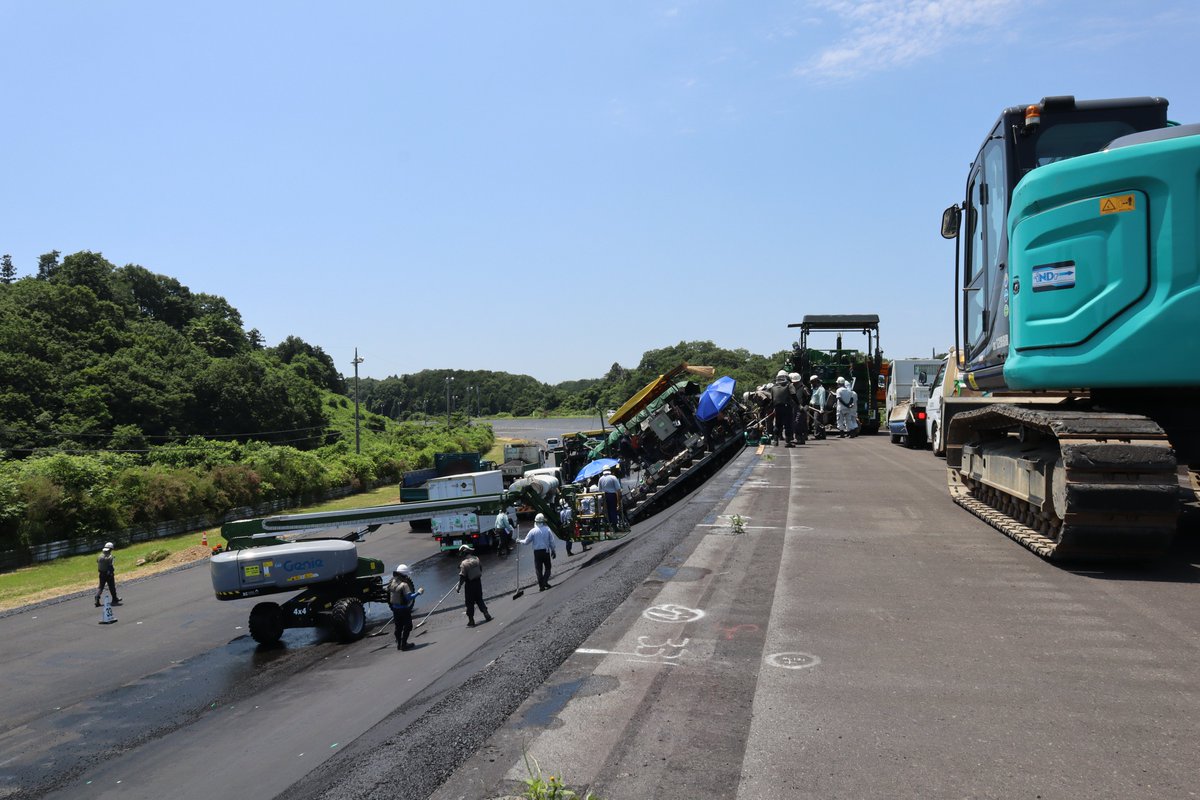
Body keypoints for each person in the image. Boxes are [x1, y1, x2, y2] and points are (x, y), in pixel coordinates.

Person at [388, 564, 423, 651]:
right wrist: (418, 593)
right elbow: (409, 597)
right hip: (404, 609)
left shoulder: (392, 582)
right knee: (408, 626)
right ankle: (404, 644)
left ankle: (399, 644)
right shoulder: (404, 585)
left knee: (398, 627)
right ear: (403, 575)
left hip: (395, 609)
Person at [455, 545, 492, 627]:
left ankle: (471, 620)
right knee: (479, 599)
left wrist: (459, 586)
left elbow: (462, 577)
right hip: (478, 582)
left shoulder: (464, 564)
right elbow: (480, 569)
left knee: (469, 603)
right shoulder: (476, 559)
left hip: (470, 585)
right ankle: (486, 613)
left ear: (463, 553)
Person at [519, 512, 557, 591]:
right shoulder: (547, 529)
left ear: (535, 521)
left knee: (538, 570)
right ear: (543, 521)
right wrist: (553, 550)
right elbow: (552, 542)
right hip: (546, 552)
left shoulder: (532, 531)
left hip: (537, 553)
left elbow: (526, 542)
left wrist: (519, 541)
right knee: (548, 568)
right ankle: (545, 581)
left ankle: (541, 586)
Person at [769, 370, 796, 447]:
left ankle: (775, 441)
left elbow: (772, 399)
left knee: (777, 424)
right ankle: (788, 442)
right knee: (788, 425)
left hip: (777, 408)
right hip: (787, 407)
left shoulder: (773, 387)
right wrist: (799, 404)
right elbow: (794, 396)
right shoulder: (789, 385)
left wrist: (771, 407)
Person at [95, 542, 121, 607]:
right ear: (110, 549)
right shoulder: (110, 557)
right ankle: (114, 599)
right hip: (108, 574)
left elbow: (97, 562)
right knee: (111, 586)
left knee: (101, 587)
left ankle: (97, 597)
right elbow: (110, 566)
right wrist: (110, 573)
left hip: (101, 573)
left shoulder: (99, 556)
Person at [789, 372, 808, 444]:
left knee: (798, 423)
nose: (794, 383)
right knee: (794, 423)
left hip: (802, 408)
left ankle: (800, 438)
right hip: (794, 408)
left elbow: (808, 397)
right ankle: (799, 438)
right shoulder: (792, 388)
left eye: (796, 382)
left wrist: (805, 406)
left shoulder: (804, 388)